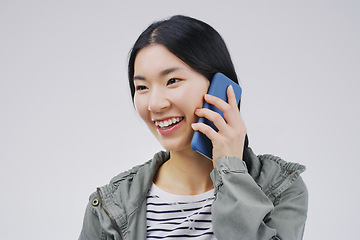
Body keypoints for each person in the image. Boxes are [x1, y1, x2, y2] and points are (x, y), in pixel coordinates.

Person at [79, 15, 308, 240]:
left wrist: (231, 170)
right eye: (141, 87)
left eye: (172, 81)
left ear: (220, 86)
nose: (154, 104)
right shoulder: (110, 207)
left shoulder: (280, 188)